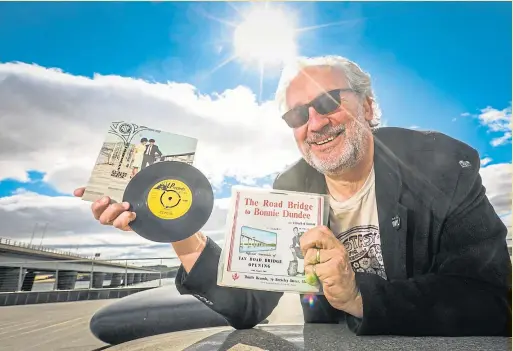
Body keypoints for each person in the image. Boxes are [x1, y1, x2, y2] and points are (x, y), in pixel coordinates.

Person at [74, 55, 512, 336]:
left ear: (369, 106)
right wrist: (177, 227)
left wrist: (358, 297)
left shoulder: (441, 167)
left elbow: (493, 298)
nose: (314, 124)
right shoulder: (289, 190)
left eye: (326, 102)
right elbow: (247, 304)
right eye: (296, 115)